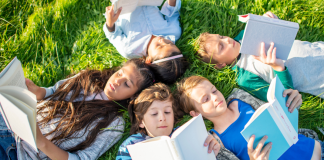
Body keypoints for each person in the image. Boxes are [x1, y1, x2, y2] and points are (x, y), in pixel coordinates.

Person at [0, 58, 156, 160]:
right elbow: (54, 91)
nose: (117, 81)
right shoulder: (87, 77)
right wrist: (38, 91)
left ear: (133, 95)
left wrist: (41, 142)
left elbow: (81, 159)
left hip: (18, 152)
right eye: (120, 73)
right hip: (9, 121)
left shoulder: (114, 124)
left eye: (127, 84)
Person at [176, 75, 322, 160]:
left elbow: (278, 113)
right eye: (205, 99)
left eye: (214, 90)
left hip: (315, 147)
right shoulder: (216, 143)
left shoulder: (239, 98)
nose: (215, 97)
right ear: (196, 114)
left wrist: (290, 102)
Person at [196, 11, 324, 101]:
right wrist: (278, 67)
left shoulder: (244, 35)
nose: (227, 40)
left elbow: (279, 33)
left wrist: (270, 21)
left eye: (222, 37)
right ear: (220, 64)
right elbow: (283, 97)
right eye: (221, 46)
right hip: (317, 79)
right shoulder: (245, 78)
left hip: (318, 49)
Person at [116, 83, 221, 160]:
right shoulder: (131, 145)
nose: (162, 118)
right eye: (154, 114)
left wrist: (210, 153)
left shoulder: (184, 134)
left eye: (167, 112)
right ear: (141, 122)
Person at [104, 0, 188, 84]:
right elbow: (173, 13)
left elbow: (113, 35)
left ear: (148, 60)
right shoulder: (173, 32)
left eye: (159, 46)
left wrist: (110, 23)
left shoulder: (130, 49)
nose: (162, 40)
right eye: (170, 43)